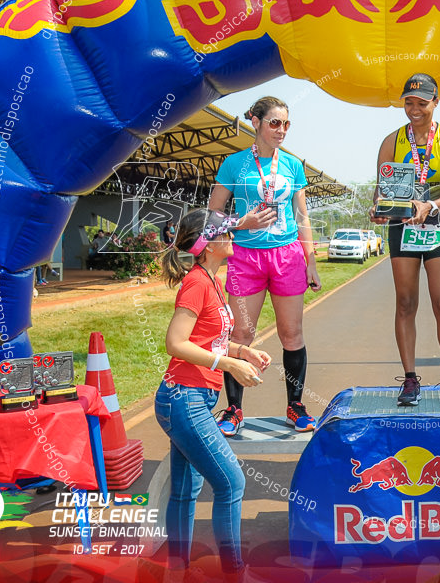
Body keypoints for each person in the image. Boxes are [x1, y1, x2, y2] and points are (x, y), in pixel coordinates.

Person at [155, 209, 272, 582]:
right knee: (232, 483)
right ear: (207, 244)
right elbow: (175, 343)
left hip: (193, 398)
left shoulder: (211, 279)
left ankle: (177, 570)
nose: (234, 235)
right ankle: (234, 573)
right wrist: (228, 365)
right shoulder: (197, 283)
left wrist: (243, 352)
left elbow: (211, 339)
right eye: (228, 231)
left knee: (187, 490)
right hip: (183, 398)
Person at [208, 97, 321, 434]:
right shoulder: (233, 164)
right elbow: (211, 219)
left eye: (286, 124)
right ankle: (233, 410)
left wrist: (310, 260)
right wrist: (243, 222)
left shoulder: (293, 166)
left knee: (292, 333)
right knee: (241, 334)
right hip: (245, 258)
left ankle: (296, 406)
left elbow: (302, 217)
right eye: (274, 123)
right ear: (255, 122)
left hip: (287, 256)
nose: (281, 130)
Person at [369, 73, 440, 407]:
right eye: (409, 102)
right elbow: (382, 189)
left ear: (435, 102)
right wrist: (379, 209)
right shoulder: (391, 141)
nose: (414, 109)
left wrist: (431, 205)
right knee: (406, 302)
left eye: (422, 103)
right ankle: (410, 379)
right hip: (402, 227)